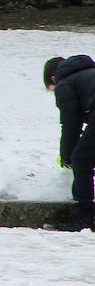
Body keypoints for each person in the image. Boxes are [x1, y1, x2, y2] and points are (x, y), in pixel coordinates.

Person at [41, 56, 95, 232]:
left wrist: (67, 156)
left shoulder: (65, 83)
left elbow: (71, 124)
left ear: (53, 79)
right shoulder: (86, 75)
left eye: (52, 90)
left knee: (81, 159)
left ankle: (84, 218)